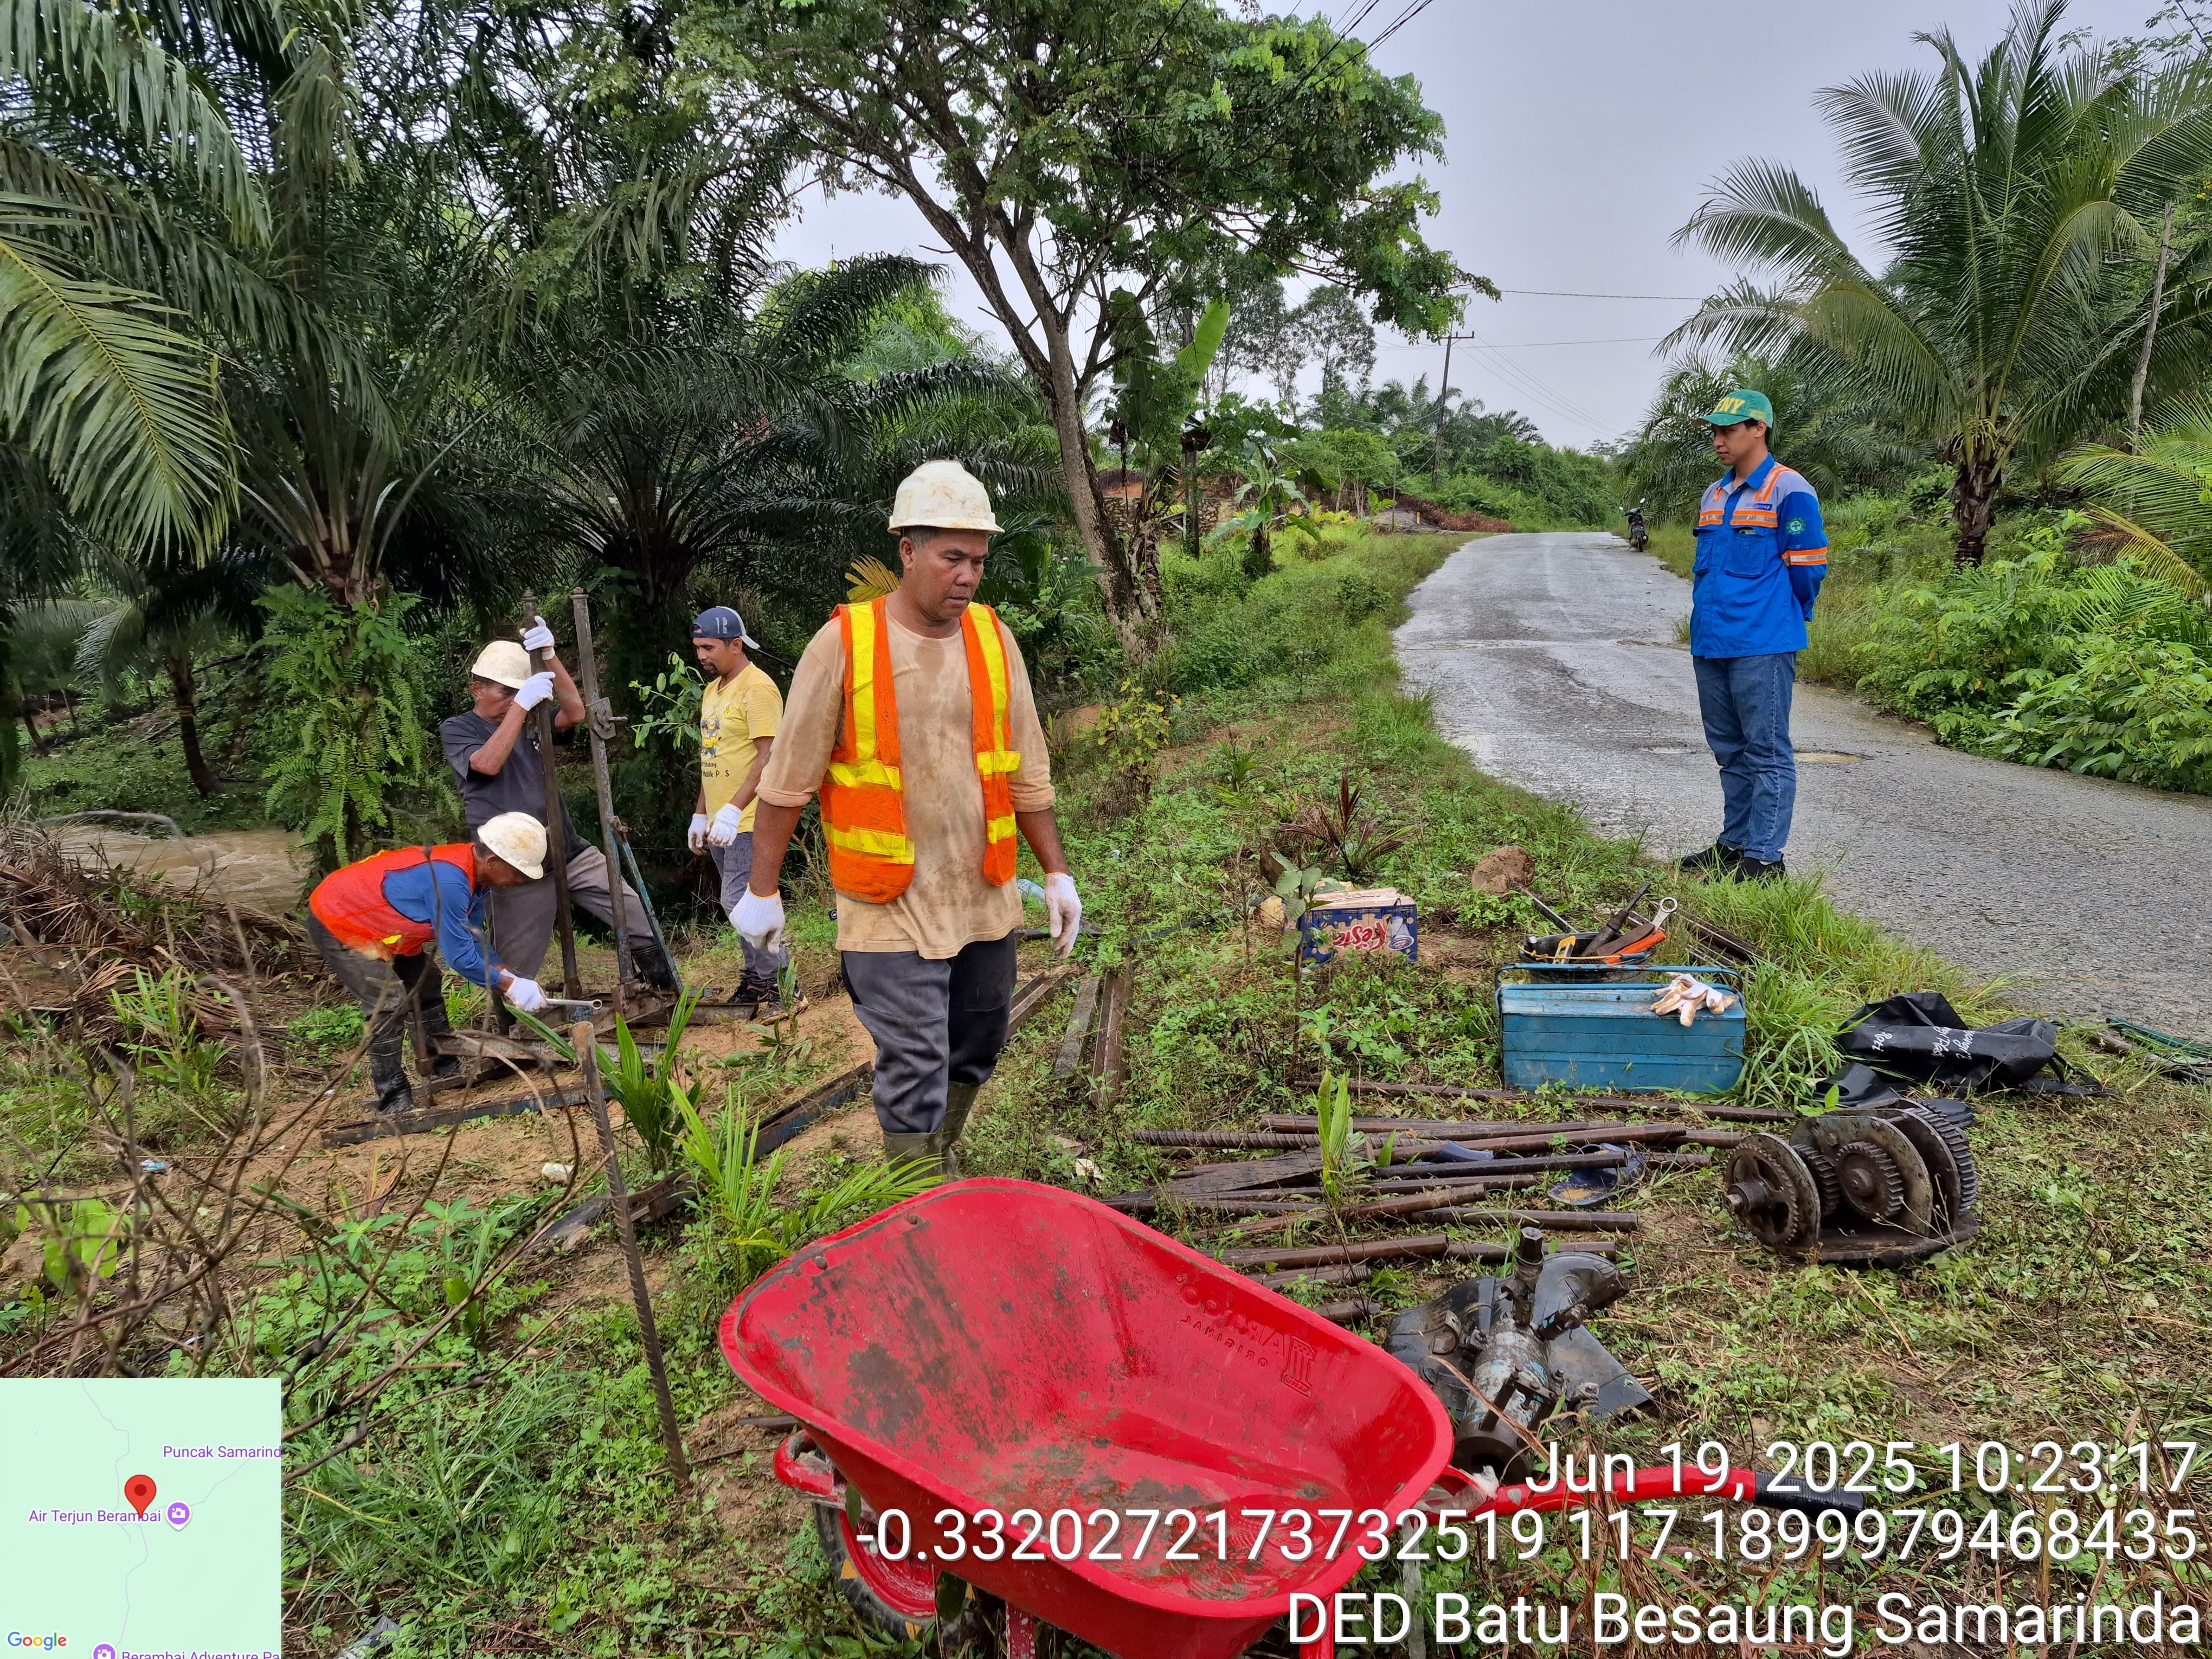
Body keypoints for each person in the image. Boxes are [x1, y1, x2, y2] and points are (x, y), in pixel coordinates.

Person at [738, 460, 1081, 1173]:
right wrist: (762, 890)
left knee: (980, 1040)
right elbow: (786, 780)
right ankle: (915, 1192)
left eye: (979, 561)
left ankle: (938, 1153)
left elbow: (1028, 767)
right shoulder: (846, 644)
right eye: (952, 558)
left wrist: (1056, 873)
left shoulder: (993, 640)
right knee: (917, 1056)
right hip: (886, 903)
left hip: (981, 893)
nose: (967, 576)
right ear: (908, 551)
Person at [439, 617, 677, 989]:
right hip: (512, 865)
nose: (515, 701)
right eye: (506, 693)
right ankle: (517, 1032)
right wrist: (522, 706)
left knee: (635, 916)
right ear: (477, 689)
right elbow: (486, 763)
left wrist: (550, 657)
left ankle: (667, 993)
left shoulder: (533, 721)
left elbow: (575, 713)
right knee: (514, 970)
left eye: (520, 692)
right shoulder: (459, 728)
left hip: (567, 851)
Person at [306, 812, 554, 1113]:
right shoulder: (449, 882)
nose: (521, 880)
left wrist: (506, 974)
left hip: (386, 924)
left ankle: (442, 1066)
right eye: (519, 872)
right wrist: (510, 987)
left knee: (426, 980)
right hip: (341, 918)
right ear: (493, 862)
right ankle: (393, 1097)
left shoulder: (477, 876)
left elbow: (472, 936)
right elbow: (460, 958)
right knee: (389, 1000)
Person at [1680, 389, 1827, 882]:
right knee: (1729, 750)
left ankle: (1765, 857)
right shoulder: (1715, 494)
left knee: (1766, 751)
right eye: (1716, 432)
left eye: (1729, 430)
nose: (1719, 441)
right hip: (1712, 640)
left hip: (1762, 643)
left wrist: (1784, 616)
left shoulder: (1789, 489)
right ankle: (1735, 844)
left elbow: (1808, 568)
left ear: (1758, 428)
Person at [685, 605, 788, 1004]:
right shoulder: (713, 691)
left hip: (748, 819)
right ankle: (758, 980)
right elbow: (712, 756)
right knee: (736, 906)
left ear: (735, 644)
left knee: (741, 900)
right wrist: (702, 812)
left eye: (709, 648)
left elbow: (770, 756)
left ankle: (781, 979)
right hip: (720, 822)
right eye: (697, 648)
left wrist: (733, 808)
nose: (702, 657)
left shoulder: (758, 688)